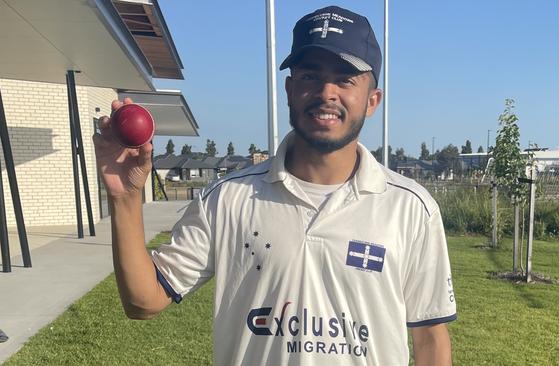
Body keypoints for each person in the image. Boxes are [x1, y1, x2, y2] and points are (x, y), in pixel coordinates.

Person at [94, 5, 456, 365]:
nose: (327, 92)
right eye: (310, 76)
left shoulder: (411, 207)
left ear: (372, 101)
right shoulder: (227, 198)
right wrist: (126, 198)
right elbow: (143, 301)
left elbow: (430, 340)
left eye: (345, 79)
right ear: (289, 89)